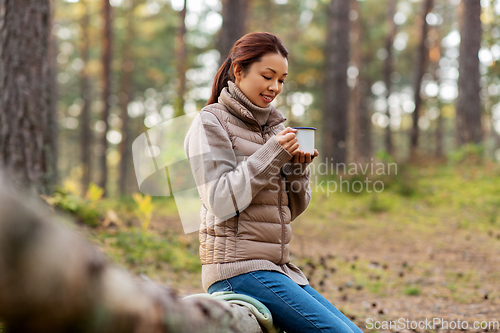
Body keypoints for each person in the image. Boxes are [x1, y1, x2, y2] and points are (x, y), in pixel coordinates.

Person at [184, 32, 363, 333]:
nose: (275, 87)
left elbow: (290, 211)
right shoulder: (210, 122)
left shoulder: (274, 128)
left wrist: (297, 171)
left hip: (278, 269)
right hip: (236, 270)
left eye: (281, 80)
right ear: (239, 71)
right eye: (267, 76)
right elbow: (219, 200)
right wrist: (273, 154)